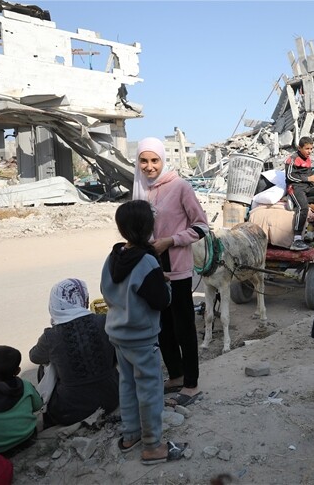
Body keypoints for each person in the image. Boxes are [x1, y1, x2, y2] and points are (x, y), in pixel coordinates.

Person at [101, 200, 186, 465]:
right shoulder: (147, 261)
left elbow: (107, 291)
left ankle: (130, 436)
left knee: (127, 385)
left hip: (118, 335)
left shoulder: (114, 256)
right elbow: (161, 302)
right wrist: (165, 283)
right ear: (148, 227)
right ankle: (152, 447)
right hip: (141, 339)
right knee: (150, 391)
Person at [132, 137, 207, 408]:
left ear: (163, 160)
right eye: (144, 161)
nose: (149, 166)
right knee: (161, 327)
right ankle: (176, 375)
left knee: (184, 326)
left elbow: (201, 226)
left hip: (177, 270)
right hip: (151, 270)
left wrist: (170, 241)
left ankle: (191, 384)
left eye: (154, 160)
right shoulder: (140, 188)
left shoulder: (180, 187)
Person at [29, 278, 119, 427]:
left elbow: (34, 356)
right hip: (112, 397)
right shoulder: (104, 321)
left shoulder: (51, 335)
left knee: (44, 365)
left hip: (71, 410)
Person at [285, 136, 314, 251]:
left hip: (307, 187)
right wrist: (307, 178)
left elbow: (309, 173)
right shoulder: (292, 159)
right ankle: (296, 240)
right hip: (295, 187)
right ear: (299, 148)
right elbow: (290, 176)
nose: (309, 151)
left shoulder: (308, 159)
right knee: (303, 208)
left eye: (311, 149)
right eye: (307, 149)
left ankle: (298, 201)